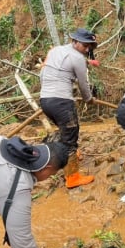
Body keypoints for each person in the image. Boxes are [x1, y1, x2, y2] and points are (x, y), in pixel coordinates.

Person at [39, 28, 97, 188]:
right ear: (75, 41)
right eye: (85, 46)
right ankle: (72, 177)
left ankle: (69, 155)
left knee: (65, 131)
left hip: (45, 100)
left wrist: (47, 94)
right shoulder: (77, 58)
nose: (87, 50)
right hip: (62, 102)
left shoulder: (55, 50)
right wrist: (89, 99)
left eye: (89, 47)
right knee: (71, 136)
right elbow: (83, 83)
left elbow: (42, 74)